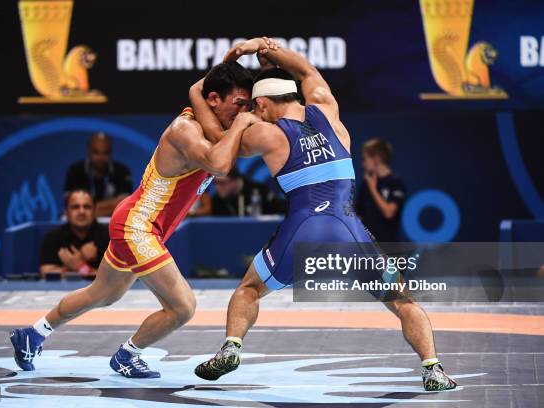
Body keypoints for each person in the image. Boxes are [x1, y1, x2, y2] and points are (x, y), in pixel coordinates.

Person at [190, 37, 457, 391]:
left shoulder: (266, 134)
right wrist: (264, 47)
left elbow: (215, 136)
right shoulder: (327, 108)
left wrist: (199, 93)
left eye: (257, 106)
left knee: (249, 290)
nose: (255, 111)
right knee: (403, 300)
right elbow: (306, 69)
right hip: (350, 229)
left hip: (303, 230)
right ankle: (433, 368)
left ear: (265, 102)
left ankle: (232, 346)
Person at [9, 50, 273, 379]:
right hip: (138, 227)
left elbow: (201, 89)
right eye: (239, 104)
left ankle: (32, 334)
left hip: (138, 224)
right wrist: (245, 122)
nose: (244, 112)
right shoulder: (185, 130)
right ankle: (127, 355)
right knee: (183, 307)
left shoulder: (211, 118)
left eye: (247, 106)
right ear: (214, 100)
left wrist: (233, 60)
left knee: (102, 294)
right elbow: (220, 165)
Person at [39, 190, 108, 279]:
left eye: (87, 207)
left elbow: (114, 278)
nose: (82, 211)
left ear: (94, 211)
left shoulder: (109, 236)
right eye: (75, 207)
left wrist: (80, 266)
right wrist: (79, 265)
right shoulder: (53, 237)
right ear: (66, 212)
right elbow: (46, 274)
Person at [64, 132, 133, 217]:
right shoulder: (75, 171)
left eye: (105, 153)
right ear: (88, 151)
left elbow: (125, 205)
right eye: (96, 152)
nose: (101, 157)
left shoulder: (122, 171)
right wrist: (110, 205)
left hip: (112, 221)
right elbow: (71, 205)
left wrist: (88, 209)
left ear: (110, 152)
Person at [356, 138, 406, 242]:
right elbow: (359, 217)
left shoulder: (396, 183)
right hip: (367, 249)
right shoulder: (366, 183)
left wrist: (373, 189)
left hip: (388, 249)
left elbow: (389, 213)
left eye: (364, 159)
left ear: (376, 159)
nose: (362, 164)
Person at [212, 167, 286, 216]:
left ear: (235, 180)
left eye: (222, 183)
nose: (217, 188)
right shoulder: (217, 200)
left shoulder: (260, 191)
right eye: (215, 183)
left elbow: (278, 210)